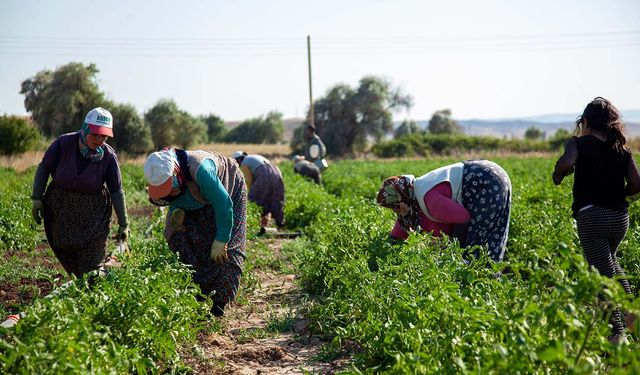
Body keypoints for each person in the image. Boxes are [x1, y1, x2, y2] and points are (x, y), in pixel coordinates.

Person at [552, 97, 640, 344]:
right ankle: (633, 317)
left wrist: (559, 174)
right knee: (611, 264)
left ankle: (617, 333)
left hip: (592, 218)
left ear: (586, 122)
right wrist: (617, 195)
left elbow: (566, 163)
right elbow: (637, 182)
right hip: (620, 218)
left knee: (600, 275)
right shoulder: (621, 150)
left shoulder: (580, 143)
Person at [144, 148, 246, 317]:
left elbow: (224, 205)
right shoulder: (159, 173)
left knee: (228, 251)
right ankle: (197, 296)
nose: (168, 193)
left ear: (177, 173)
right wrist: (177, 209)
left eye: (169, 188)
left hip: (227, 192)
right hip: (194, 199)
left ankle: (218, 307)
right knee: (182, 240)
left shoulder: (202, 170)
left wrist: (221, 240)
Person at [30, 107, 129, 278]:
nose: (99, 140)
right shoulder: (63, 144)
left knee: (92, 263)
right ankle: (80, 286)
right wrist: (37, 198)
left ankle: (93, 284)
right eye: (95, 134)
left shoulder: (108, 156)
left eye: (103, 136)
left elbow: (116, 191)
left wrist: (124, 223)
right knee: (64, 248)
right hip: (61, 209)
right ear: (85, 128)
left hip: (94, 213)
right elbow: (44, 168)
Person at [376, 160, 511, 262]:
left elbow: (463, 218)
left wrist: (455, 249)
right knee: (479, 247)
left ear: (402, 198)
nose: (397, 210)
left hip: (486, 181)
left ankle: (484, 284)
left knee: (476, 247)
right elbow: (398, 232)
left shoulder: (429, 199)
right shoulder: (413, 197)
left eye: (397, 206)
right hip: (484, 174)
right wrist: (382, 251)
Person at [232, 151, 285, 229]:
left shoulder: (244, 163)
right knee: (275, 198)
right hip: (276, 171)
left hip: (264, 174)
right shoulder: (254, 157)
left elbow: (249, 180)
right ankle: (280, 223)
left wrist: (248, 192)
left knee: (254, 199)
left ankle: (252, 223)